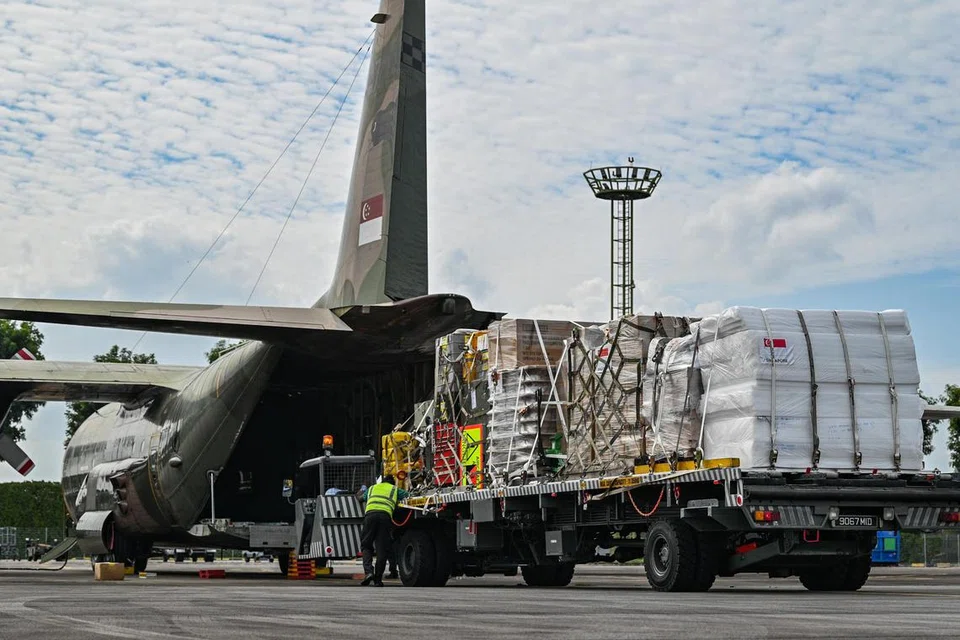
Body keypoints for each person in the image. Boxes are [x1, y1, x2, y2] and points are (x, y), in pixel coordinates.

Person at [359, 474, 408, 586]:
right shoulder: (394, 489)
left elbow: (361, 498)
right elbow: (407, 495)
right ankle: (378, 580)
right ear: (393, 483)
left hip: (370, 516)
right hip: (385, 517)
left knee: (366, 545)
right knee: (382, 549)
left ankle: (368, 572)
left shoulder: (372, 488)